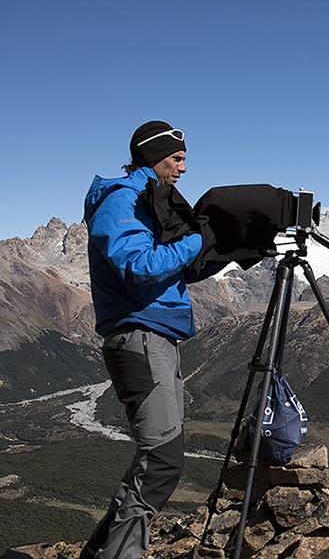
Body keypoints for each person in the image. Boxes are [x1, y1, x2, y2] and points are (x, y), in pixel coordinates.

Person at [81, 120, 210, 559]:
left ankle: (101, 551)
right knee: (162, 461)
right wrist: (195, 243)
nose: (184, 167)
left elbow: (166, 267)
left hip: (155, 337)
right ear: (153, 156)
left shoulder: (151, 201)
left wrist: (219, 248)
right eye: (177, 158)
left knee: (156, 459)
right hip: (138, 336)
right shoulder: (121, 201)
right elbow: (139, 268)